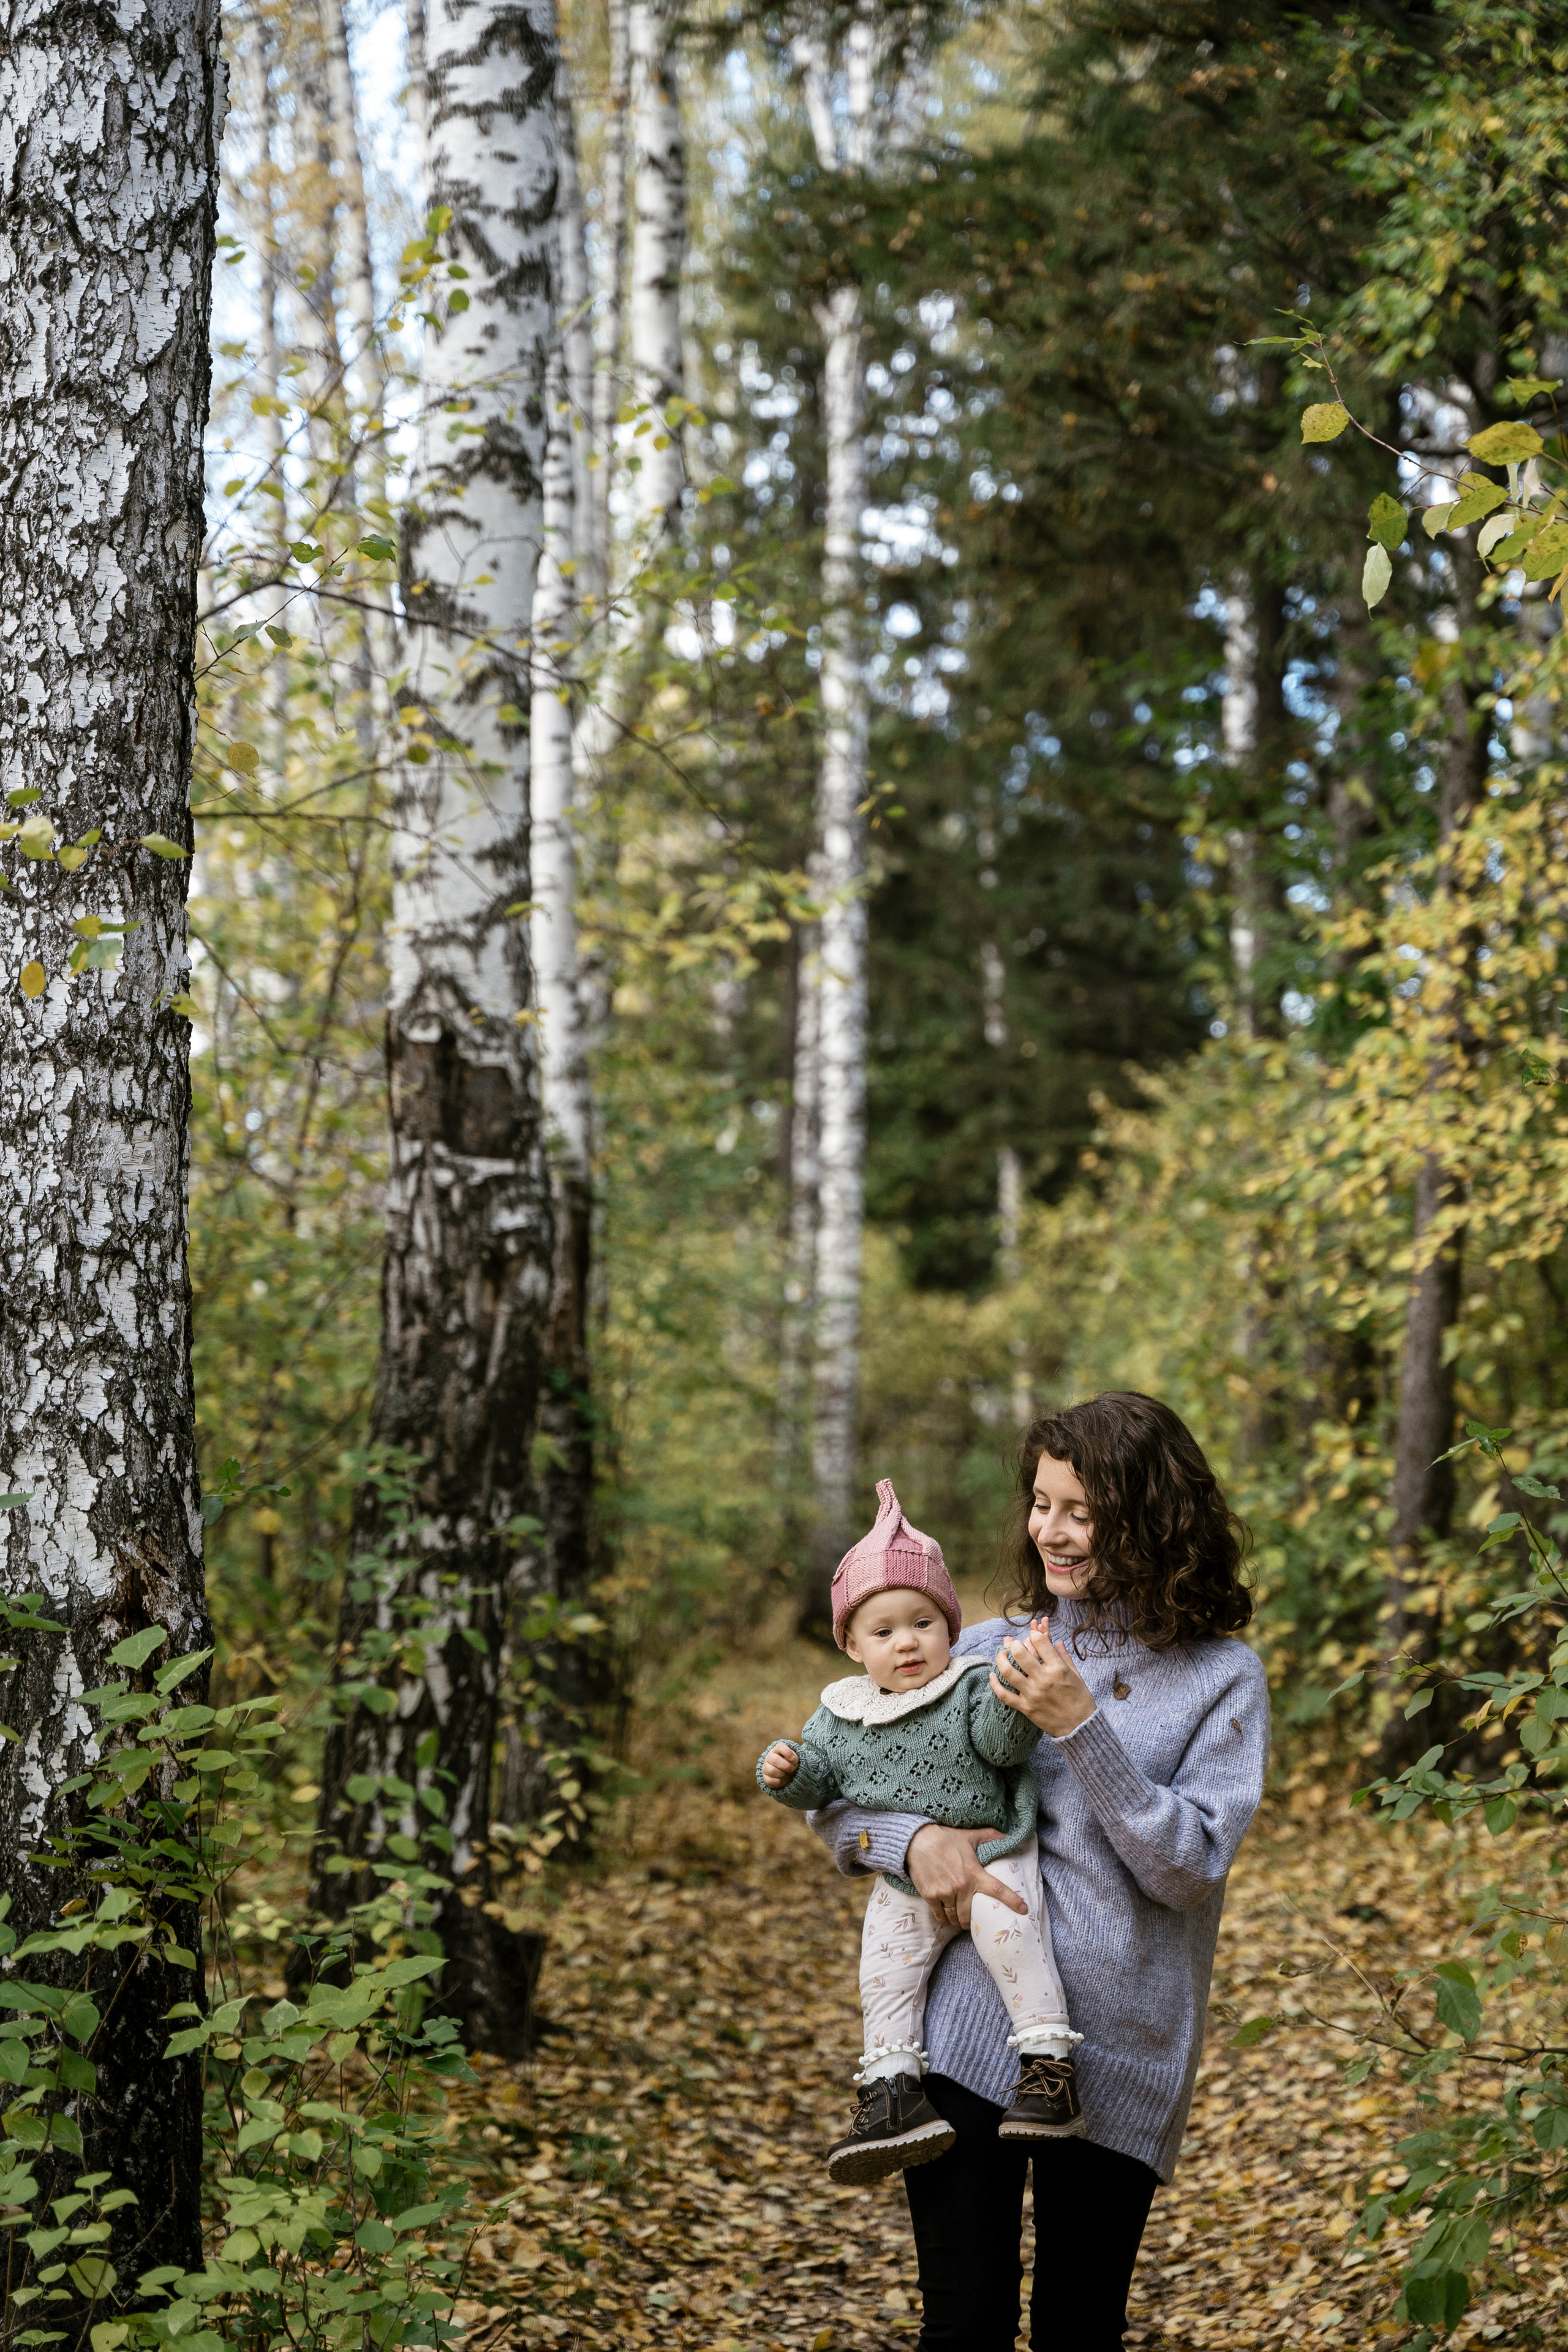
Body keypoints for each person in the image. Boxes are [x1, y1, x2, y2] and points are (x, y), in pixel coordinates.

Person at [807, 1393, 1269, 2352]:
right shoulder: (978, 1649)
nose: (1049, 1531)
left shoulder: (1224, 1677)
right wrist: (908, 1844)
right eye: (1041, 1502)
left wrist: (1080, 1727)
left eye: (1081, 1512)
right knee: (965, 2323)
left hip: (1122, 2047)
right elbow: (838, 1796)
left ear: (1152, 1519)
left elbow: (1187, 1868)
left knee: (1078, 2328)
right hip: (971, 2030)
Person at [756, 1480, 1085, 2185]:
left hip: (996, 1848)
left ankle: (1047, 2068)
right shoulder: (839, 1714)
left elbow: (1002, 1750)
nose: (907, 1643)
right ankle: (892, 2090)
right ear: (850, 1644)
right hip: (905, 1877)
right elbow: (821, 1786)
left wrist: (1014, 1690)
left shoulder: (966, 1684)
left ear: (949, 1624)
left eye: (924, 1623)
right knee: (885, 1967)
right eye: (883, 1632)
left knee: (1014, 1938)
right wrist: (785, 1771)